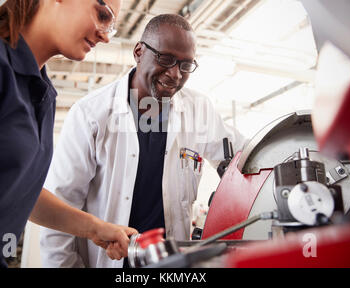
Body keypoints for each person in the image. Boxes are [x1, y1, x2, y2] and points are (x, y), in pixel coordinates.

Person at [0, 0, 137, 268]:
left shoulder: (42, 92)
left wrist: (96, 228)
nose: (105, 35)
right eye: (103, 14)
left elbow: (23, 193)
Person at [40, 14, 247, 268]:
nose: (175, 74)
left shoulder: (198, 110)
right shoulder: (90, 115)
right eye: (166, 59)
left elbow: (245, 156)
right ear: (139, 52)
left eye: (185, 65)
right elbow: (60, 211)